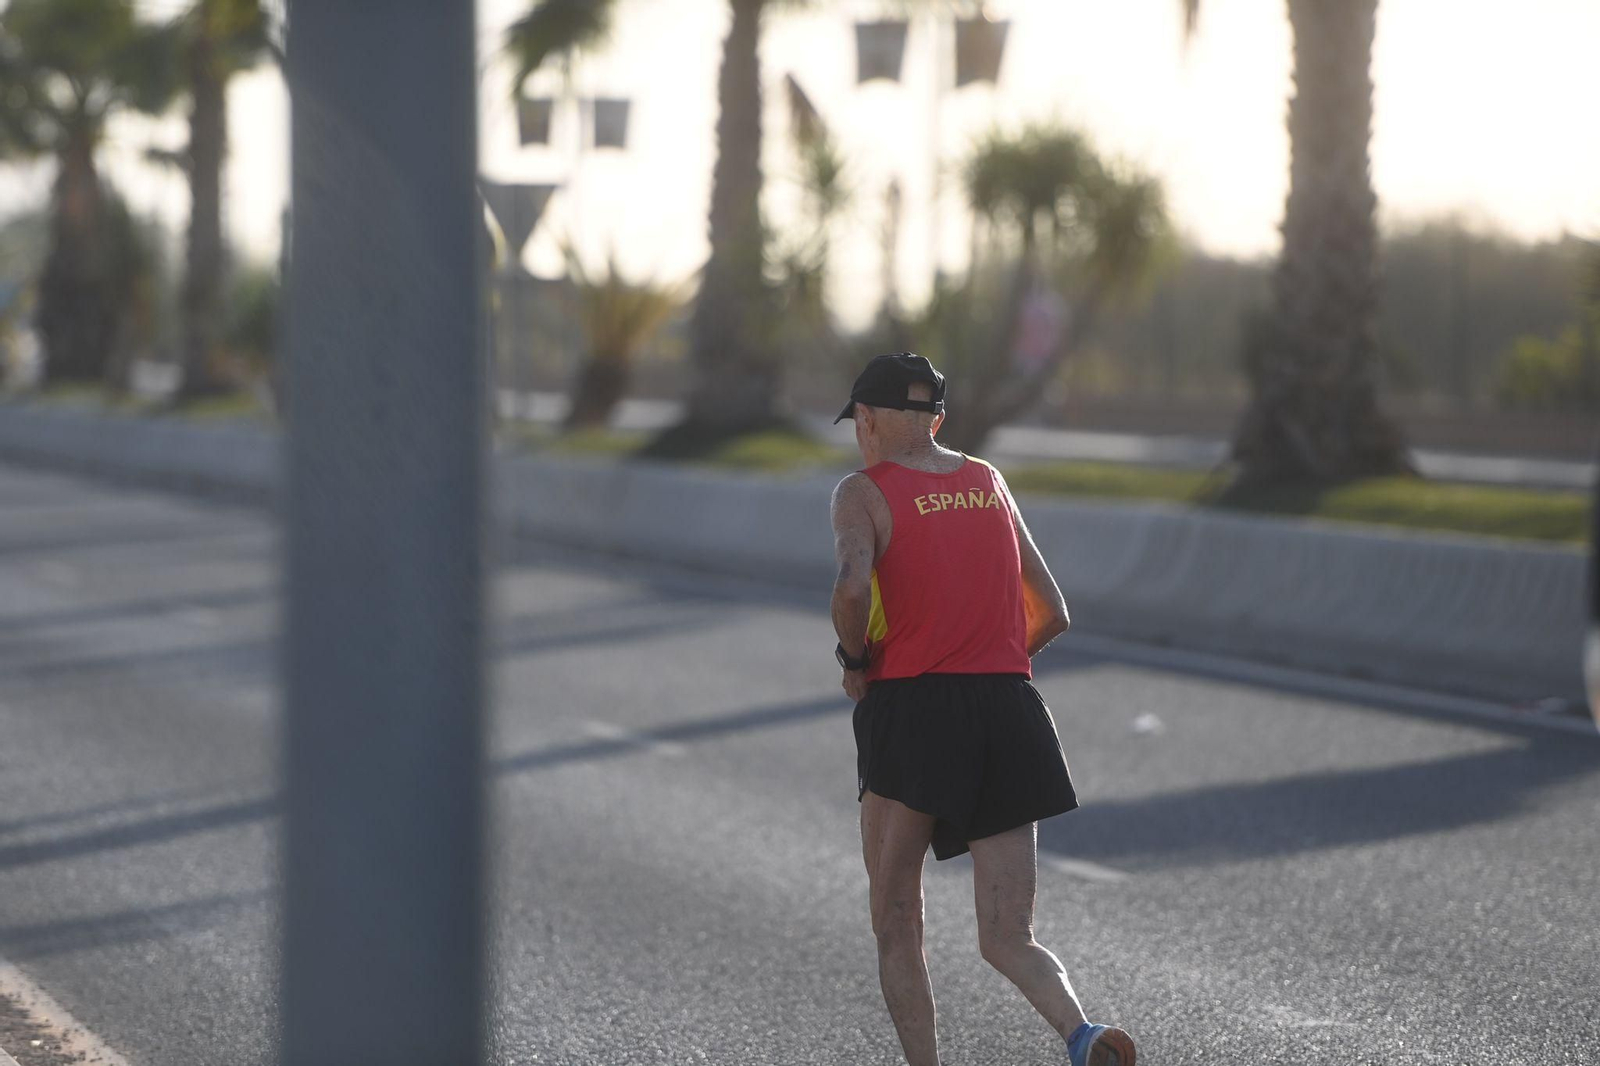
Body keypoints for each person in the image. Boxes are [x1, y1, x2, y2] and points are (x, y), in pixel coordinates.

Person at [829, 352, 1135, 1066]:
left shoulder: (861, 492)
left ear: (868, 421)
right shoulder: (989, 481)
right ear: (937, 419)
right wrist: (981, 657)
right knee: (1007, 934)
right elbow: (1052, 611)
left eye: (858, 424)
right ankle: (1083, 1034)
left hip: (911, 709)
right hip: (1009, 707)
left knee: (897, 916)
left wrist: (856, 662)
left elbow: (850, 587)